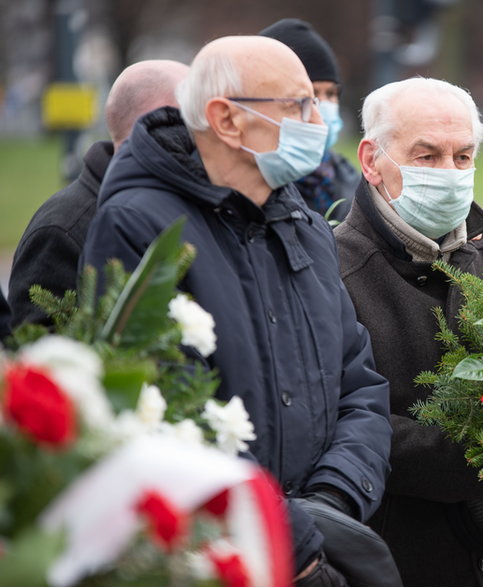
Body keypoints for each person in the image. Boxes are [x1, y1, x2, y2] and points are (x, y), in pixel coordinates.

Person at [80, 36, 393, 585]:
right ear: (226, 120)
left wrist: (331, 503)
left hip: (322, 542)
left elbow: (359, 387)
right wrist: (293, 543)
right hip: (224, 557)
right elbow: (165, 412)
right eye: (298, 106)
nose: (317, 122)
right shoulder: (142, 227)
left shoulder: (306, 226)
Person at [334, 77, 483, 585]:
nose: (449, 174)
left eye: (463, 156)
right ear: (371, 160)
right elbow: (339, 420)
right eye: (426, 156)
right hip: (398, 560)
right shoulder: (332, 273)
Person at [8, 59, 189, 327]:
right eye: (194, 118)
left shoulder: (182, 205)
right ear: (155, 123)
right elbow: (40, 350)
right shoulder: (63, 226)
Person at [259, 18, 359, 224]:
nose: (321, 107)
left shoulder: (352, 182)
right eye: (311, 94)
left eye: (331, 94)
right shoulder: (258, 182)